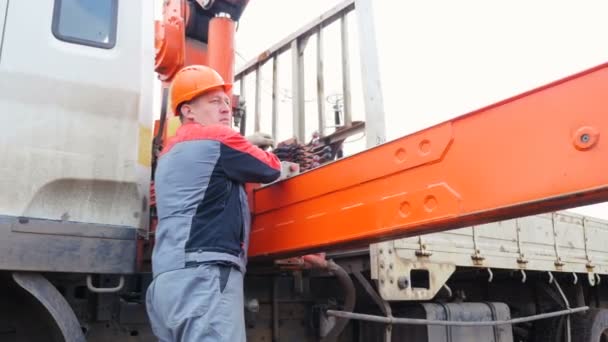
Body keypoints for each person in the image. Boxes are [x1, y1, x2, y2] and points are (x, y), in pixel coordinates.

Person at [146, 64, 281, 341]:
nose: (225, 109)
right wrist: (247, 143)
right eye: (214, 101)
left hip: (166, 280)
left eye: (226, 102)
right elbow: (271, 168)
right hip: (204, 276)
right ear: (187, 110)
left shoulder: (168, 152)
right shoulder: (220, 138)